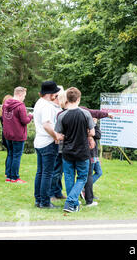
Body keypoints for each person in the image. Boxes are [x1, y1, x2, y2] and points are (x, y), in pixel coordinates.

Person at [54, 87, 95, 213]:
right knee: (82, 177)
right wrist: (87, 133)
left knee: (69, 177)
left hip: (67, 151)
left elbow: (59, 134)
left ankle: (74, 204)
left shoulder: (62, 116)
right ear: (78, 99)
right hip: (82, 151)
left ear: (67, 98)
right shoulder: (85, 114)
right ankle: (70, 202)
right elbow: (92, 132)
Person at [33, 81, 61, 209]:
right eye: (55, 94)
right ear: (50, 94)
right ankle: (44, 202)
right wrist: (56, 136)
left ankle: (38, 199)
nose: (56, 96)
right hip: (48, 143)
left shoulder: (39, 103)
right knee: (47, 173)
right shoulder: (47, 106)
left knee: (40, 172)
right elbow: (46, 125)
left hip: (39, 142)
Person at [81, 109, 112, 207]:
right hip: (90, 154)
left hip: (94, 154)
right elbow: (98, 135)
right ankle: (85, 189)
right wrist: (94, 125)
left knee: (99, 172)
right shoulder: (89, 126)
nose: (96, 119)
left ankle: (86, 189)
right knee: (90, 175)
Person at [2, 87, 33, 183]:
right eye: (24, 96)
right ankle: (15, 177)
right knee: (16, 156)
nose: (24, 98)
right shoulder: (20, 106)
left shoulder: (5, 104)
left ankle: (8, 176)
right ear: (20, 94)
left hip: (8, 134)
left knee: (11, 154)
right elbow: (25, 121)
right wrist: (31, 116)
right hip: (18, 135)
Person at [49, 88, 66, 201]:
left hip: (62, 144)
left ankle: (58, 191)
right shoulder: (53, 109)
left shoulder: (59, 109)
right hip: (57, 143)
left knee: (60, 171)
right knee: (56, 170)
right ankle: (51, 193)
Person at [0, 94, 12, 181]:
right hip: (8, 135)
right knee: (11, 154)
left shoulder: (2, 113)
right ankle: (9, 172)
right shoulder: (8, 114)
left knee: (9, 153)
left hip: (4, 134)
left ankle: (7, 171)